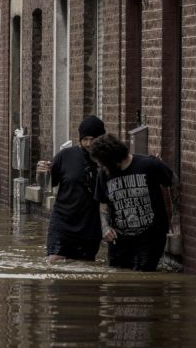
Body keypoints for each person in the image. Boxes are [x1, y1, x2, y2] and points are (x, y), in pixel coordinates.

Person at [90, 133, 175, 271]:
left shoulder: (149, 165)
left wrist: (175, 220)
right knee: (118, 277)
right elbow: (103, 202)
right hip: (119, 238)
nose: (101, 166)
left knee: (143, 277)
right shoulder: (104, 174)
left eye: (103, 163)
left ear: (113, 159)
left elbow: (173, 183)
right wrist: (105, 227)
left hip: (150, 236)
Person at [36, 115, 106, 262]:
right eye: (85, 139)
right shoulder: (65, 156)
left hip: (89, 226)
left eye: (92, 139)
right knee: (54, 260)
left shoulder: (106, 162)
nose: (88, 144)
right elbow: (47, 185)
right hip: (62, 222)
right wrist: (41, 173)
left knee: (84, 266)